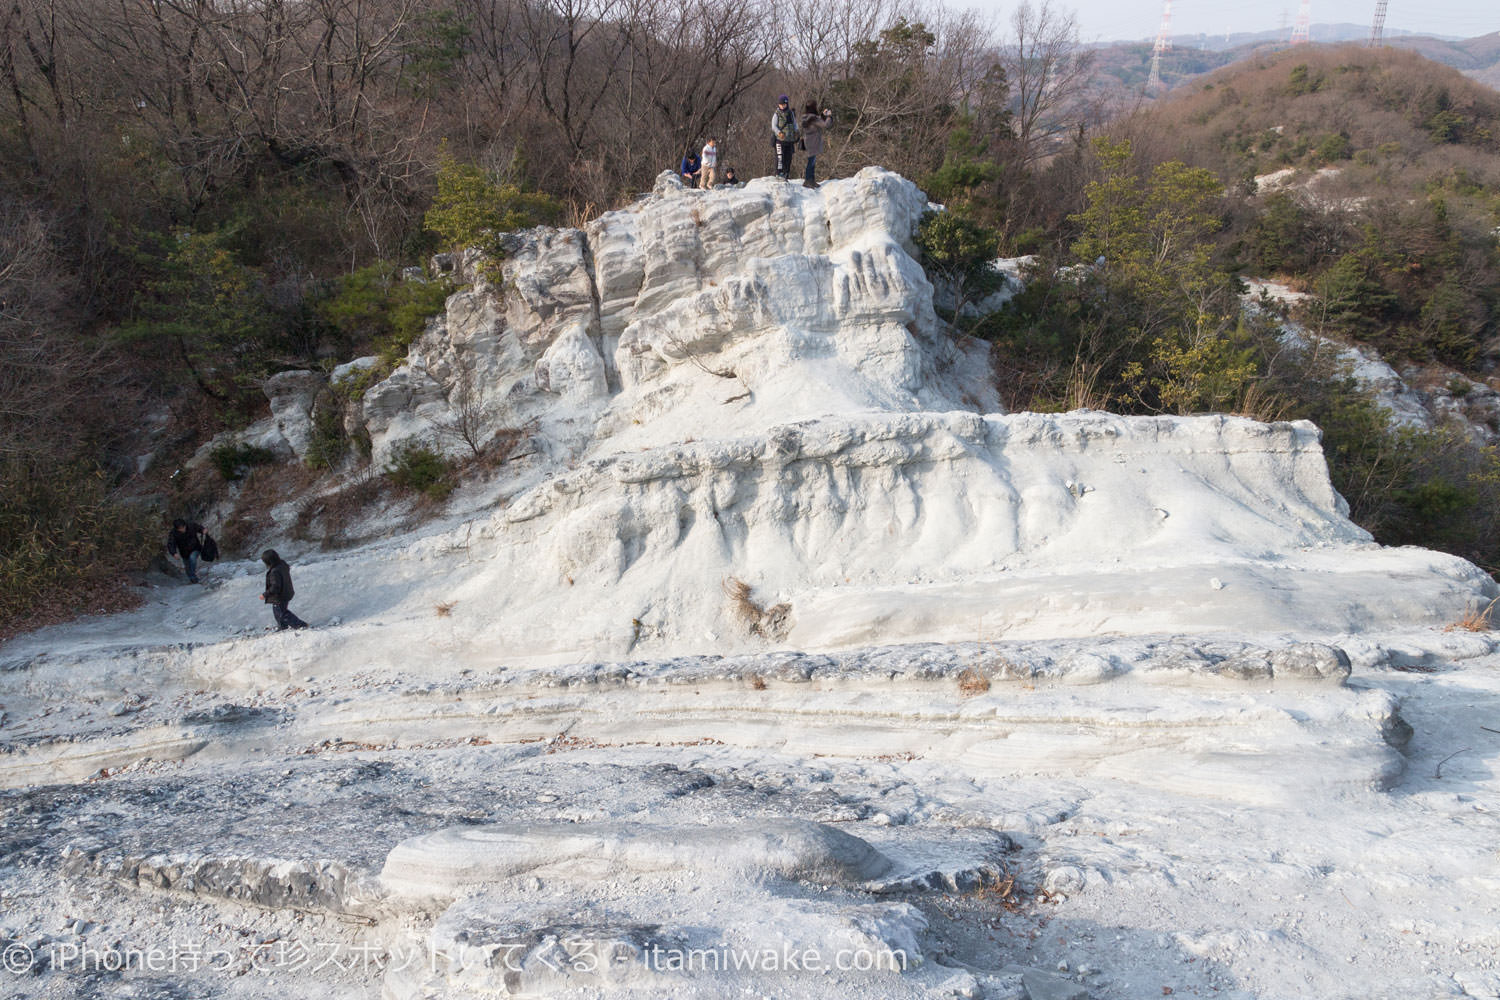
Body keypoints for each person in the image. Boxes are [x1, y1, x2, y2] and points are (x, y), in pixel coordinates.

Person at [261, 549, 309, 630]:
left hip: (280, 596)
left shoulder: (274, 571)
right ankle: (282, 626)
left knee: (282, 613)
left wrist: (265, 595)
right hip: (286, 592)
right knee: (279, 613)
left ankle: (301, 625)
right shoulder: (282, 564)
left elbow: (275, 587)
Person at [800, 102, 832, 188]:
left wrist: (822, 114)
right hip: (813, 142)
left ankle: (811, 180)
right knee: (811, 162)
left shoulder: (806, 117)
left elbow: (817, 121)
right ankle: (808, 181)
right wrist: (828, 116)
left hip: (808, 141)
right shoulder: (813, 118)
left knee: (812, 161)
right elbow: (825, 125)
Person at [166, 518, 205, 583]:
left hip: (195, 548)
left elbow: (198, 527)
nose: (182, 529)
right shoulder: (173, 533)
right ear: (176, 529)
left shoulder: (191, 525)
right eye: (180, 528)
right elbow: (171, 544)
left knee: (192, 558)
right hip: (184, 552)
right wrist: (174, 553)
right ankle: (192, 578)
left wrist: (203, 530)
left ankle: (193, 577)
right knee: (187, 567)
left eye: (183, 527)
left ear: (185, 525)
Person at [771, 95, 799, 180]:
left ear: (787, 104)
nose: (782, 106)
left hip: (789, 140)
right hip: (780, 140)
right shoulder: (777, 114)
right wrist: (779, 133)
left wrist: (796, 131)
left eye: (784, 104)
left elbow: (794, 124)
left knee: (788, 158)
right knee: (780, 157)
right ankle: (779, 174)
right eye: (781, 104)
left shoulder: (790, 113)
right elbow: (773, 126)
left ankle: (786, 174)